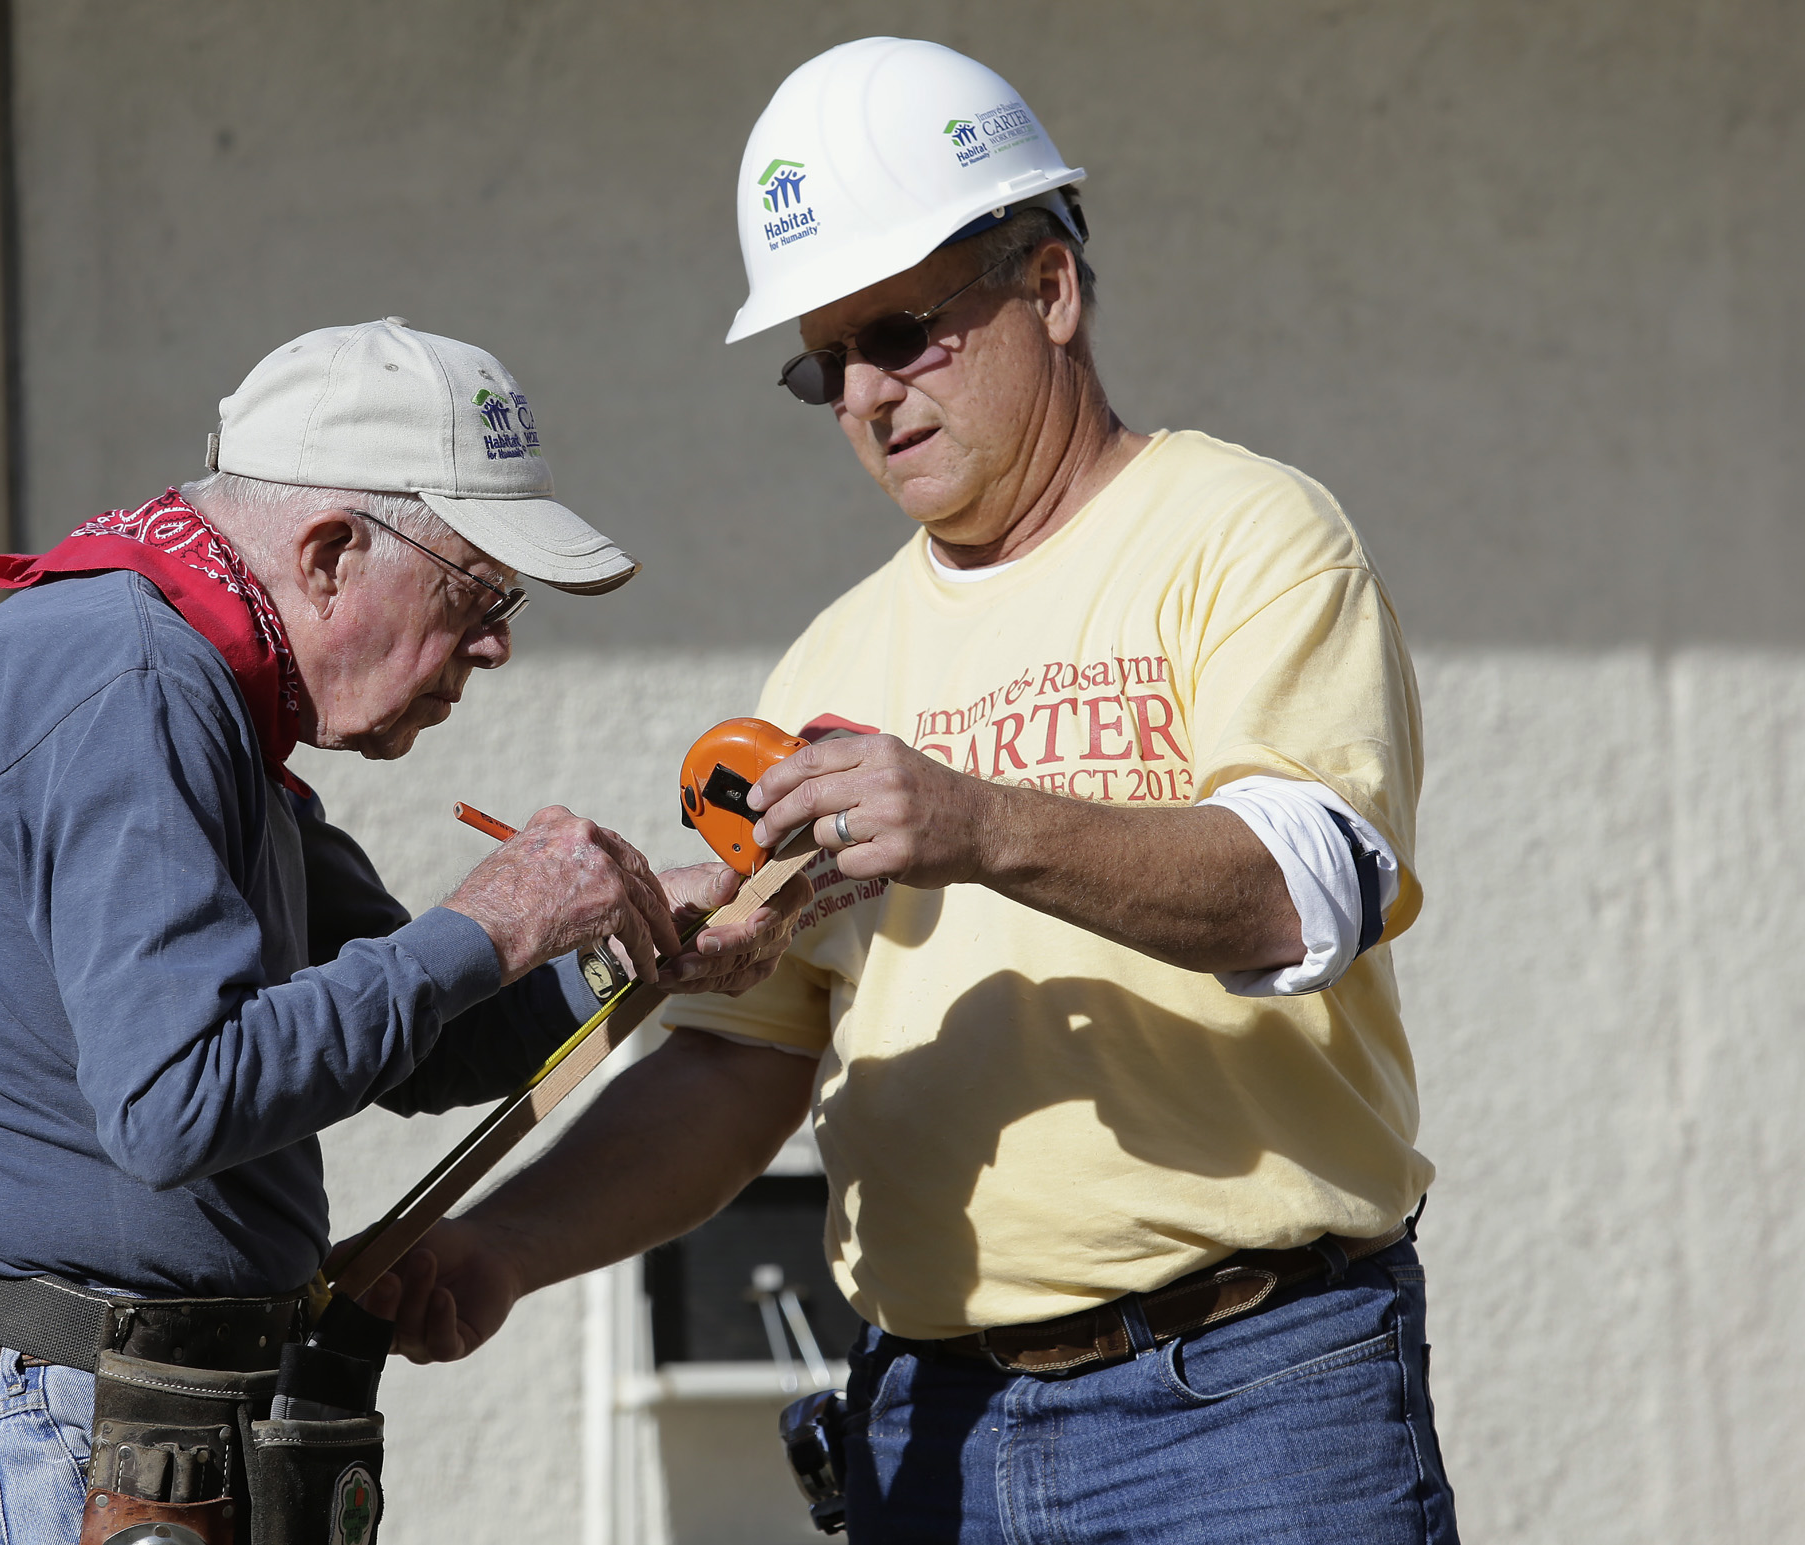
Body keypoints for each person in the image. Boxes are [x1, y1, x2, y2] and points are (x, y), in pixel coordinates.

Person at [376, 39, 1458, 1545]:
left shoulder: (1248, 536)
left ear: (1053, 289)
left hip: (1246, 1397)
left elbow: (1305, 889)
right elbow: (735, 1066)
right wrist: (500, 1247)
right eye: (828, 363)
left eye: (902, 331)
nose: (870, 395)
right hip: (931, 1420)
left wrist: (980, 823)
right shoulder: (831, 658)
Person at [0, 318, 807, 1545]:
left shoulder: (209, 702)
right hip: (41, 1432)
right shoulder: (131, 682)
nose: (494, 646)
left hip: (84, 1424)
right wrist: (492, 921)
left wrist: (638, 938)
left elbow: (433, 1044)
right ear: (332, 552)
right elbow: (182, 1100)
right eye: (477, 593)